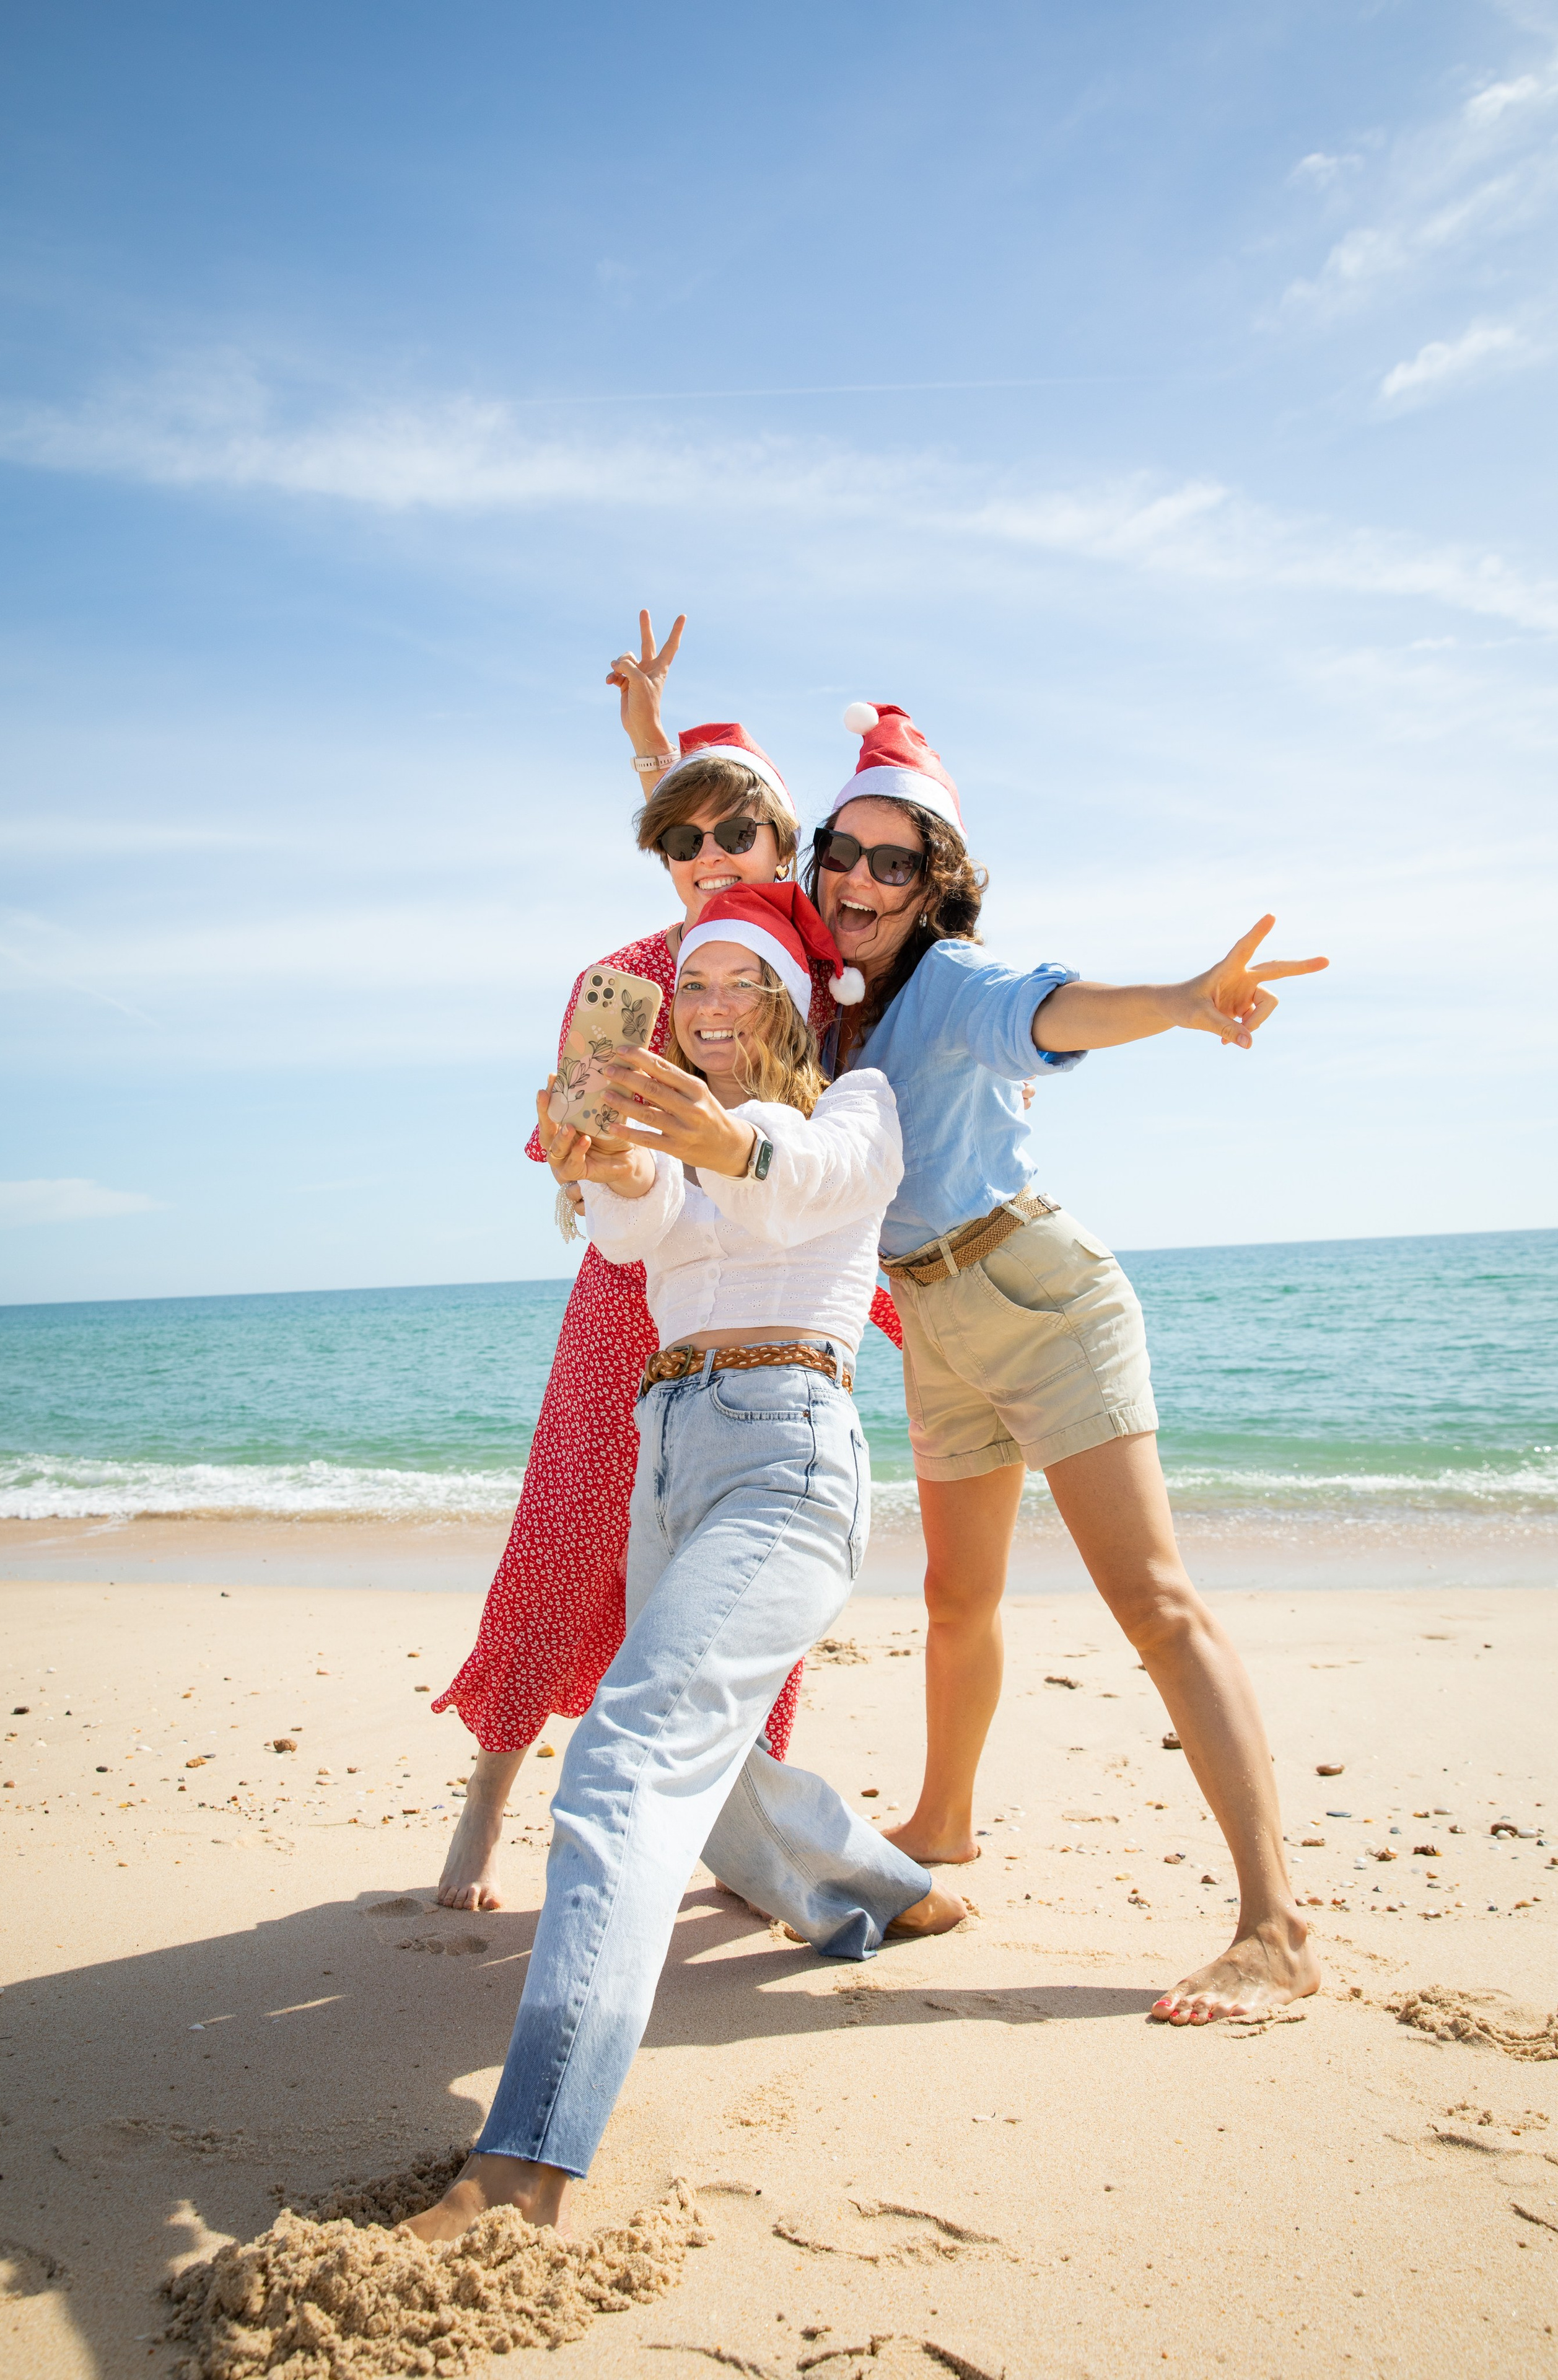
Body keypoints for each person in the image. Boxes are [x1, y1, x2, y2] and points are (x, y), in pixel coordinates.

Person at [406, 885, 962, 2242]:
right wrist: (598, 1155)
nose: (709, 1005)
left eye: (740, 982)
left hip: (788, 1453)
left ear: (789, 998)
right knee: (707, 1775)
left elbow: (803, 1182)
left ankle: (526, 2161)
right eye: (691, 982)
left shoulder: (853, 1107)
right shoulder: (674, 1133)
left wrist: (715, 1135)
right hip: (666, 1446)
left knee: (630, 1752)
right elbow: (632, 1229)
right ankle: (886, 1887)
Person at [810, 700, 1330, 2027]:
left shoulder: (953, 984)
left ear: (935, 887)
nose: (858, 878)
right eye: (842, 850)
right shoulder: (838, 1004)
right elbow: (719, 861)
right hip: (931, 1322)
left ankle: (1272, 1927)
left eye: (892, 861)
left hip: (1036, 1294)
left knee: (1152, 1602)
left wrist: (1179, 999)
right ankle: (939, 1826)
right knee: (950, 1600)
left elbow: (1052, 1010)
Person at [432, 617, 901, 1910]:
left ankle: (739, 1837)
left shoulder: (826, 974)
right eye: (680, 842)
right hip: (628, 1292)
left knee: (746, 1572)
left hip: (783, 1295)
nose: (705, 859)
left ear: (784, 850)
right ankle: (482, 1814)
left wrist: (657, 747)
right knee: (564, 1533)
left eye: (734, 838)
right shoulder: (628, 981)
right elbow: (585, 1166)